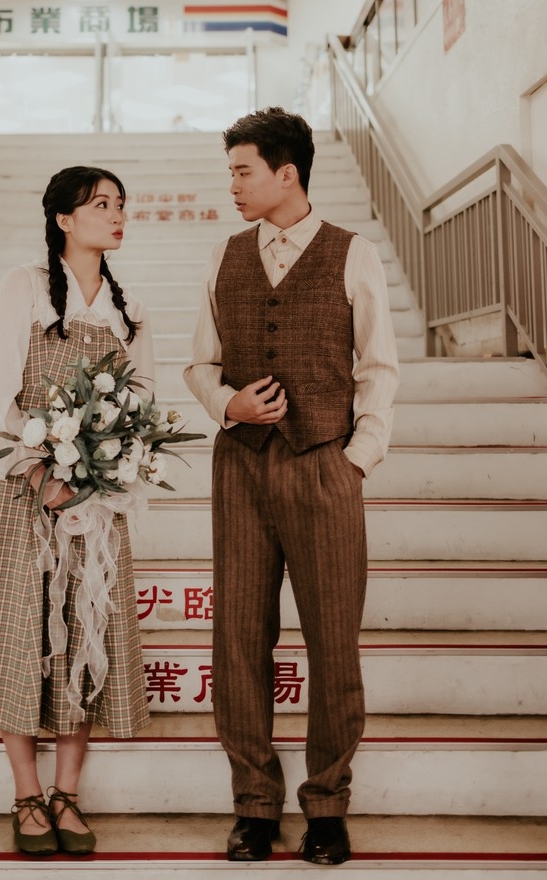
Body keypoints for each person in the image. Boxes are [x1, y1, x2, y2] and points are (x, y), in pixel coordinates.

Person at [184, 108, 399, 866]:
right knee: (240, 637)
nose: (233, 185)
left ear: (287, 173)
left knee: (333, 640)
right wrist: (227, 405)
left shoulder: (352, 252)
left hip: (324, 464)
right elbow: (200, 364)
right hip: (241, 467)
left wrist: (356, 458)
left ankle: (328, 806)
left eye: (242, 170)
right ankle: (253, 805)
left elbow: (378, 366)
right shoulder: (224, 255)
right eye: (231, 172)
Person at [0, 166, 153, 857]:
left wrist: (98, 474)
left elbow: (140, 410)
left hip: (92, 504)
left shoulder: (128, 307)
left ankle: (67, 794)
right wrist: (39, 470)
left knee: (85, 635)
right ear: (63, 218)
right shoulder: (25, 287)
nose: (116, 215)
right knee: (20, 636)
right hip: (20, 495)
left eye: (121, 204)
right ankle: (27, 794)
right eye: (101, 204)